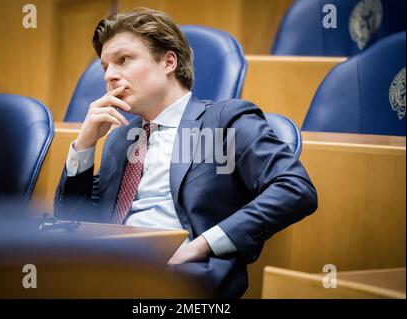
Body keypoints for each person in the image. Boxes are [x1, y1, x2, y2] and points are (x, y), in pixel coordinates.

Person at [54, 7, 317, 298]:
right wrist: (85, 145)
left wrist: (203, 244)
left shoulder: (223, 120)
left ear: (168, 61)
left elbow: (295, 189)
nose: (110, 76)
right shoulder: (119, 139)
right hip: (108, 274)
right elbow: (74, 223)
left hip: (182, 281)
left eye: (123, 60)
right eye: (105, 67)